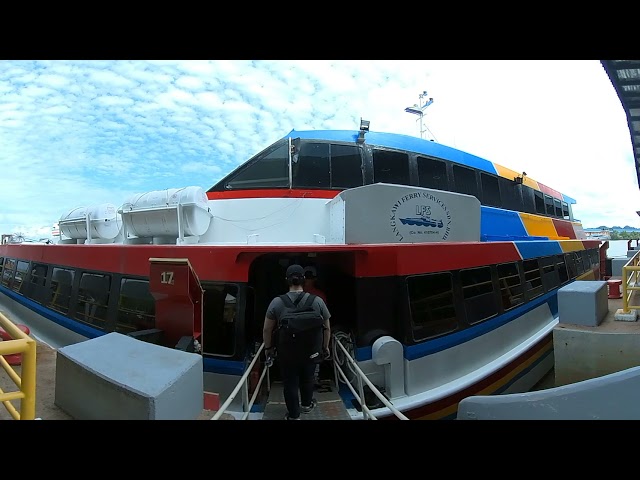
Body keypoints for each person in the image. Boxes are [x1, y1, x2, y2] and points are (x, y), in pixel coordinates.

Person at [263, 263, 331, 420]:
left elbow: (267, 329)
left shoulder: (276, 303)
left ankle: (293, 415)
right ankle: (307, 405)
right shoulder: (318, 301)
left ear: (287, 280)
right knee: (308, 377)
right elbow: (326, 327)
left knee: (290, 383)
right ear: (304, 280)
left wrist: (269, 348)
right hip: (312, 350)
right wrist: (325, 347)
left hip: (287, 353)